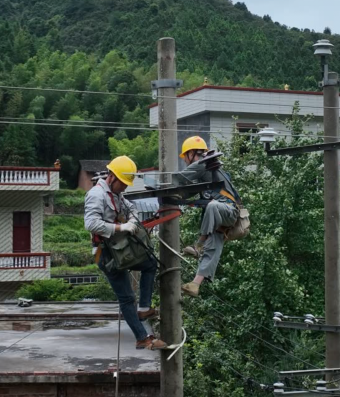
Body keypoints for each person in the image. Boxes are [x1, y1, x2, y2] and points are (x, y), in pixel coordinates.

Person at [84, 155, 166, 350]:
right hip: (106, 254)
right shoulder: (97, 195)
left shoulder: (116, 194)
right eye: (123, 183)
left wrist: (133, 221)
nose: (125, 188)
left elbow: (132, 208)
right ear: (112, 177)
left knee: (150, 263)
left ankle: (144, 308)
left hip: (119, 250)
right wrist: (122, 228)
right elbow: (91, 224)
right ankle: (142, 338)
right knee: (127, 297)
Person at [172, 136, 241, 297]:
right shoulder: (209, 168)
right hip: (222, 215)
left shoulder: (203, 163)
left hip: (227, 210)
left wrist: (164, 186)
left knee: (212, 206)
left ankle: (198, 245)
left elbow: (180, 178)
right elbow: (190, 191)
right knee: (213, 247)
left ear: (191, 153)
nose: (186, 161)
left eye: (186, 157)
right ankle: (195, 284)